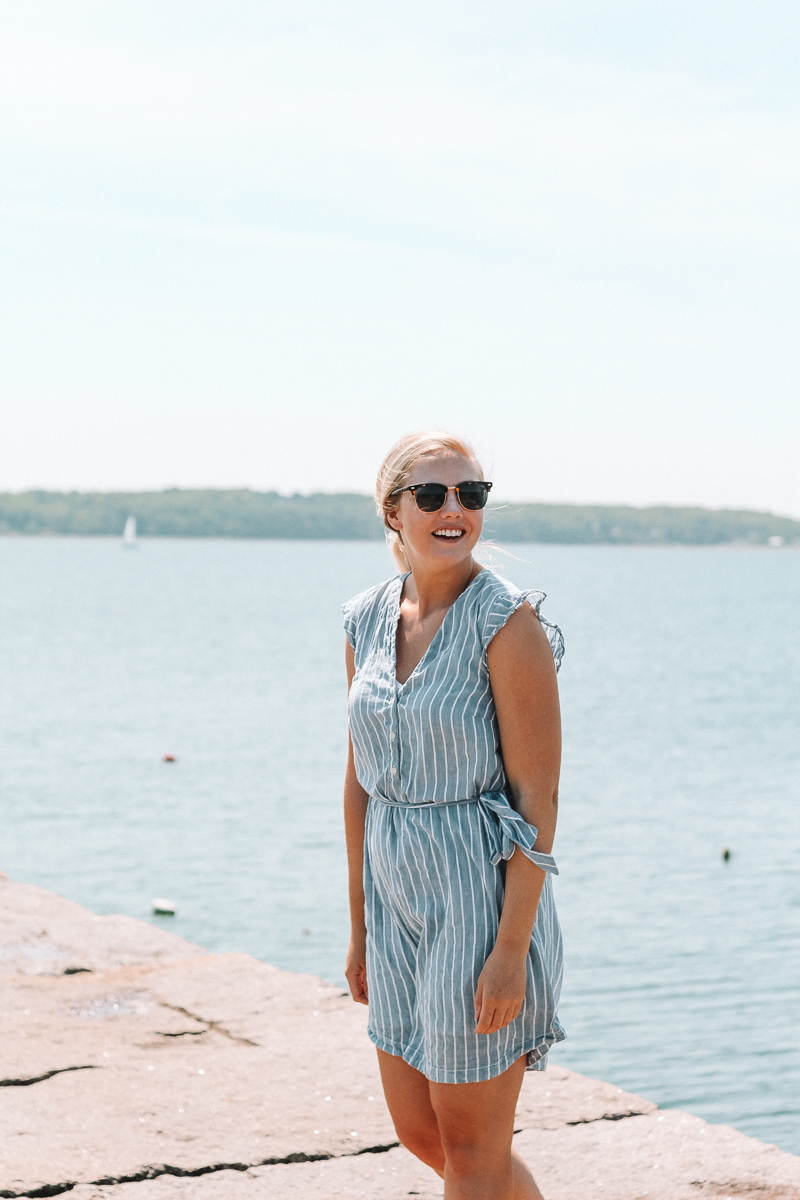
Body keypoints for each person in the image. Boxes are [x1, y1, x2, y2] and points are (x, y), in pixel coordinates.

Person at [342, 430, 565, 1200]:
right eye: (432, 494)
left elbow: (538, 803)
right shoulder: (365, 620)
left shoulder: (508, 623)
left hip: (478, 899)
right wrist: (360, 926)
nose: (454, 509)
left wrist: (511, 948)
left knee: (473, 1147)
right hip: (392, 891)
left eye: (471, 495)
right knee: (423, 1133)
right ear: (392, 511)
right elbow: (358, 782)